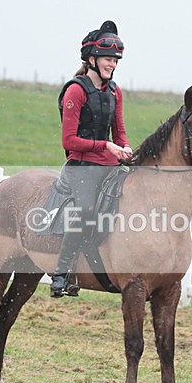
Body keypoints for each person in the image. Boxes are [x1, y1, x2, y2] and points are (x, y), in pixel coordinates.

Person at [50, 20, 133, 298]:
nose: (113, 64)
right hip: (81, 166)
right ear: (92, 59)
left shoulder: (115, 91)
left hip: (109, 164)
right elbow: (69, 141)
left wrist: (126, 148)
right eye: (109, 59)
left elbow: (120, 133)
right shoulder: (76, 90)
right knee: (84, 211)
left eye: (115, 60)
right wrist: (106, 146)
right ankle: (62, 273)